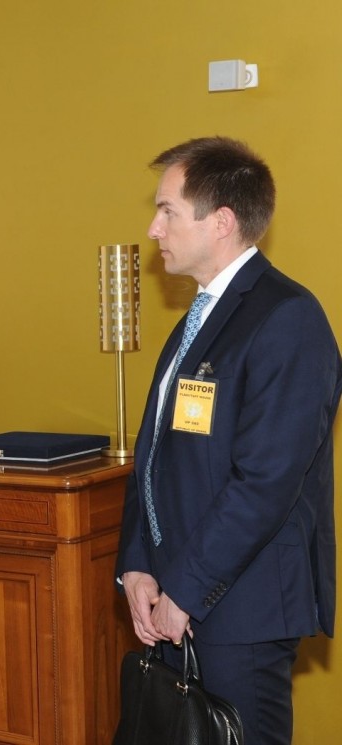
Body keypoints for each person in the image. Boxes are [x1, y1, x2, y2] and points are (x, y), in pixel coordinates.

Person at [116, 137, 342, 745]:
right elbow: (156, 456)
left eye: (167, 210)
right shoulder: (202, 316)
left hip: (239, 608)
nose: (153, 227)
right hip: (176, 600)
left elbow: (266, 483)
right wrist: (137, 564)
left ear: (220, 222)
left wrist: (185, 590)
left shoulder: (286, 318)